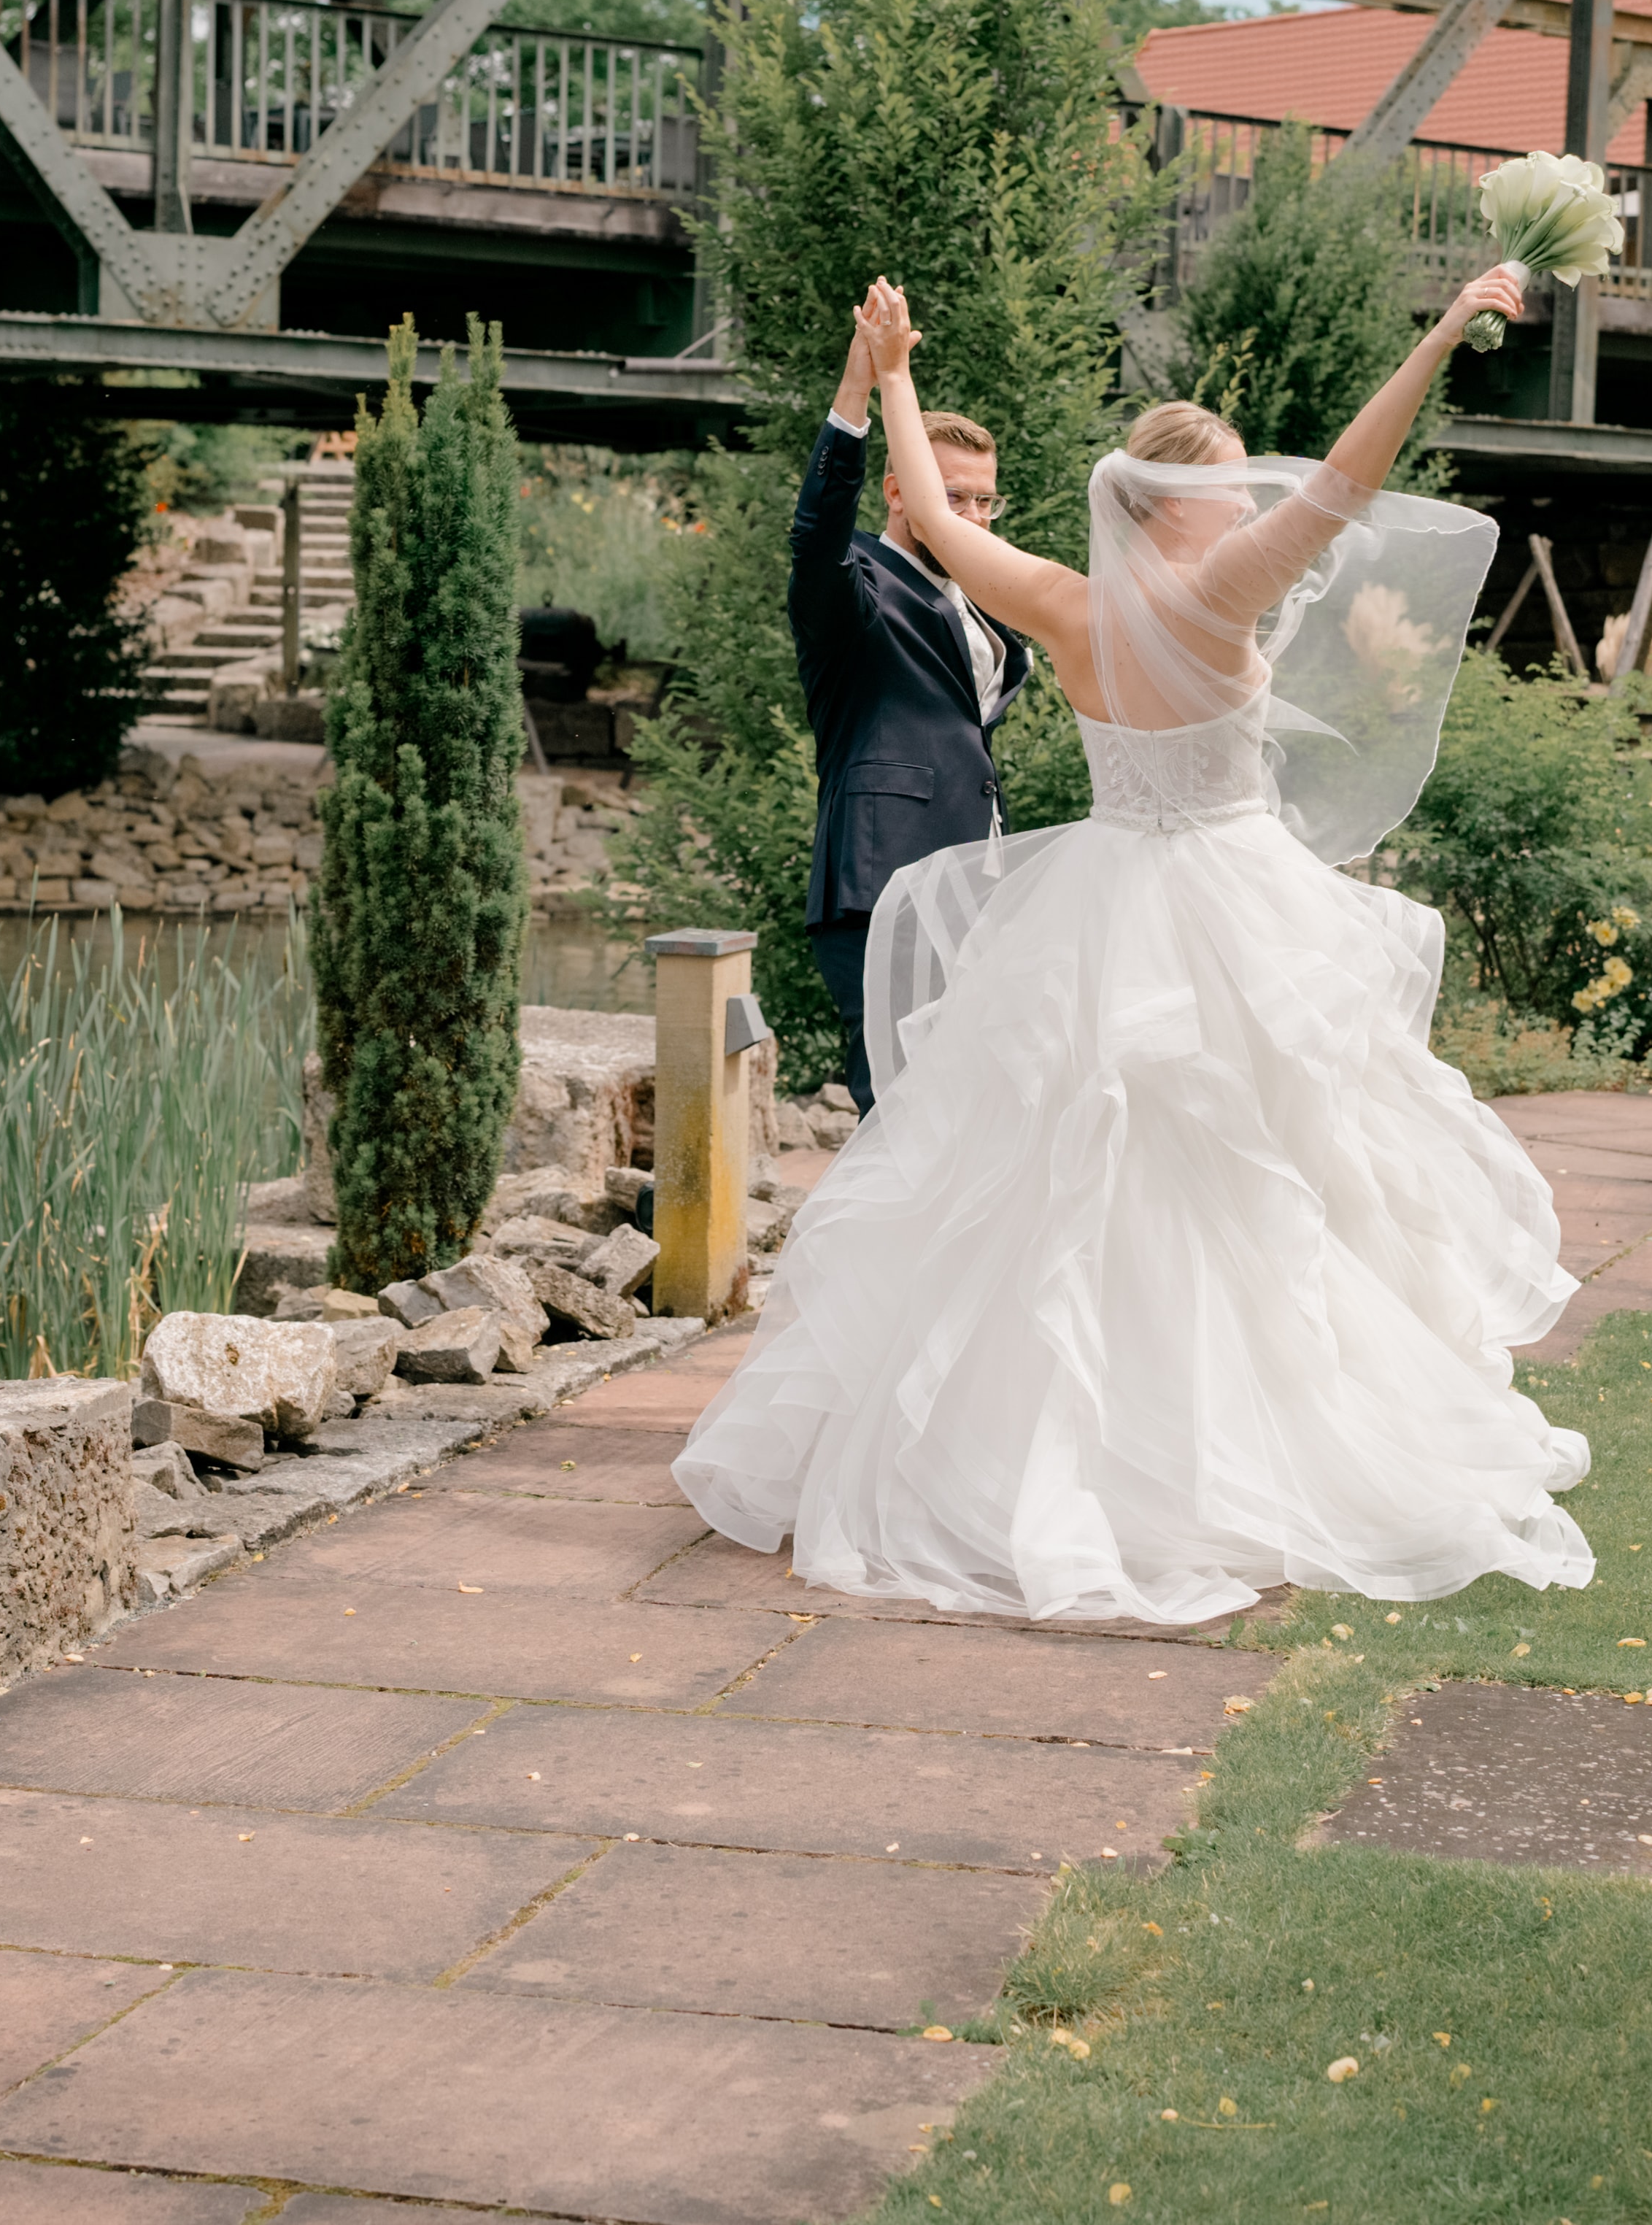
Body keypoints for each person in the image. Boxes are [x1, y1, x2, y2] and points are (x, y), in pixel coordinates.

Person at [676, 265, 1594, 1625]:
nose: (1250, 508)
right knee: (1266, 1169)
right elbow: (1348, 474)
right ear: (1182, 505)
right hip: (1231, 904)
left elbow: (922, 513)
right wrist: (1446, 333)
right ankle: (1241, 1447)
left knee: (1073, 1183)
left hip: (1104, 898)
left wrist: (894, 367)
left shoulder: (1063, 600)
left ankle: (1061, 1448)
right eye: (1228, 490)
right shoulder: (1222, 591)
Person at [787, 306, 1036, 1114]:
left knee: (969, 1111)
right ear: (901, 491)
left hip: (974, 886)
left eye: (984, 503)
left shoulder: (986, 602)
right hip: (883, 887)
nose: (970, 517)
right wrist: (860, 383)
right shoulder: (851, 584)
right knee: (899, 1111)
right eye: (952, 499)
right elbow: (816, 531)